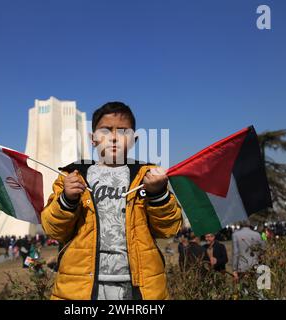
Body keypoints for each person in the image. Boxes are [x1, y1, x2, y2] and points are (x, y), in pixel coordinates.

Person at [41, 101, 182, 300]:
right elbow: (53, 229)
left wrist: (158, 194)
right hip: (82, 287)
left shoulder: (148, 178)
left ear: (134, 139)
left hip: (139, 287)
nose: (114, 137)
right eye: (105, 131)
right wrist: (67, 199)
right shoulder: (72, 176)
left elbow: (168, 230)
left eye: (123, 131)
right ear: (93, 139)